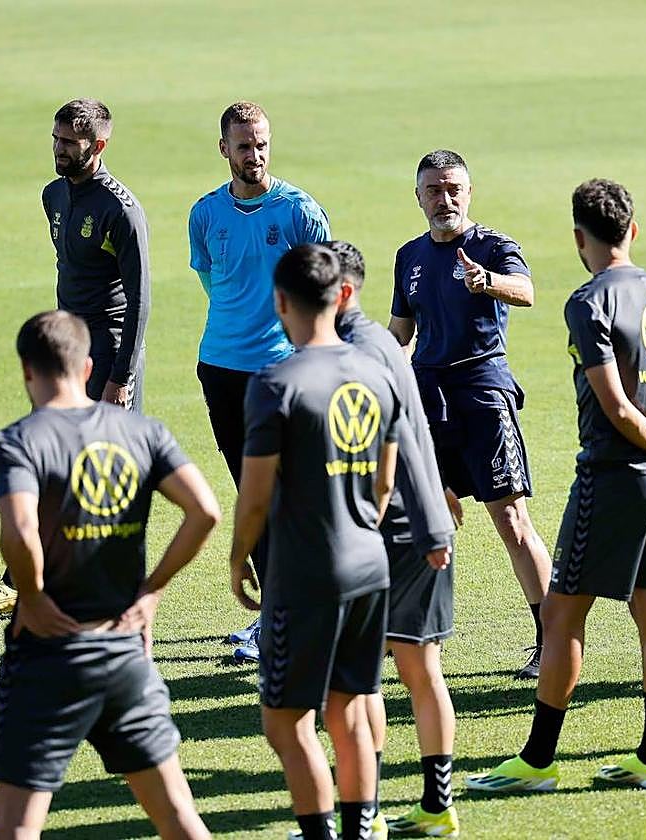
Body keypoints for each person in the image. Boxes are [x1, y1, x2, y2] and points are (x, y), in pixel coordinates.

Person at [466, 179, 646, 794]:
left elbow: (620, 411)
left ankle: (539, 760)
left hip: (612, 475)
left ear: (579, 238)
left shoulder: (588, 303)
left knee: (562, 611)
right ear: (633, 230)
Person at [0, 311, 217, 840]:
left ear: (27, 371)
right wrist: (152, 589)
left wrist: (35, 597)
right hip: (124, 654)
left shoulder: (16, 442)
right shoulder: (143, 432)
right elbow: (205, 510)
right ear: (87, 367)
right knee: (179, 819)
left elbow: (20, 531)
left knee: (17, 829)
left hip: (47, 656)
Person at [0, 98, 152, 620]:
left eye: (70, 143)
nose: (59, 150)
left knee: (109, 478)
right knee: (57, 466)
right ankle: (31, 578)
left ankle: (120, 593)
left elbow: (140, 300)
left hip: (107, 354)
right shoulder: (54, 195)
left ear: (99, 145)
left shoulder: (120, 210)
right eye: (56, 138)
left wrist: (121, 378)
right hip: (67, 355)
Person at [229, 244, 400, 840]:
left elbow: (254, 498)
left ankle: (320, 833)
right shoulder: (378, 373)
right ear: (338, 297)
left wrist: (237, 558)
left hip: (307, 572)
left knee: (285, 719)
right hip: (370, 564)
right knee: (350, 705)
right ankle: (359, 830)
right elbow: (384, 483)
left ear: (281, 302)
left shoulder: (275, 384)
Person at [388, 149, 551, 679]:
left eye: (454, 188)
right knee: (422, 520)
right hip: (428, 401)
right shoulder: (409, 256)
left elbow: (526, 291)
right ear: (418, 197)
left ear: (470, 192)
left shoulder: (493, 247)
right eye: (434, 190)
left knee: (511, 521)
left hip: (482, 396)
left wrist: (488, 283)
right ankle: (405, 636)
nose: (445, 199)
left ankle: (553, 637)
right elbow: (400, 334)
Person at [188, 101, 331, 662]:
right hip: (220, 369)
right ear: (224, 149)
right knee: (255, 495)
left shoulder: (299, 211)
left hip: (280, 372)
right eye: (244, 146)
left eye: (263, 144)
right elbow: (214, 282)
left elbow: (325, 294)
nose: (255, 155)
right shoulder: (204, 214)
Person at [329, 241, 458, 838]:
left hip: (393, 531)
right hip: (419, 524)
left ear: (343, 291)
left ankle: (371, 811)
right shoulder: (379, 340)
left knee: (370, 675)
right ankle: (433, 804)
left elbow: (386, 449)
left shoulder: (355, 352)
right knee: (415, 669)